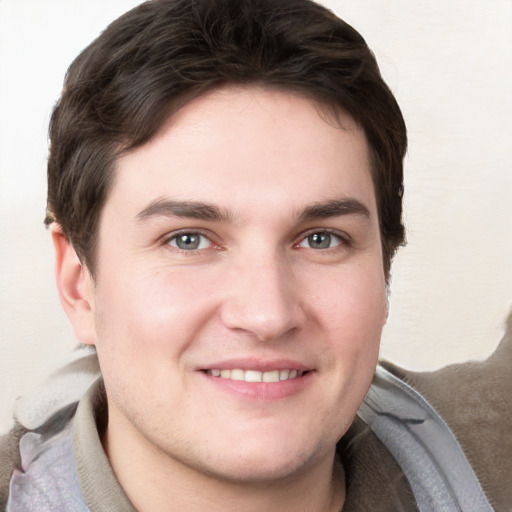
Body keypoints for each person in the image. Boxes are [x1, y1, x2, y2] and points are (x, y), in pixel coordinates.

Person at [0, 0, 510, 510]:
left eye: (321, 238)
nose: (267, 314)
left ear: (383, 269)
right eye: (188, 240)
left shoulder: (492, 454)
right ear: (77, 285)